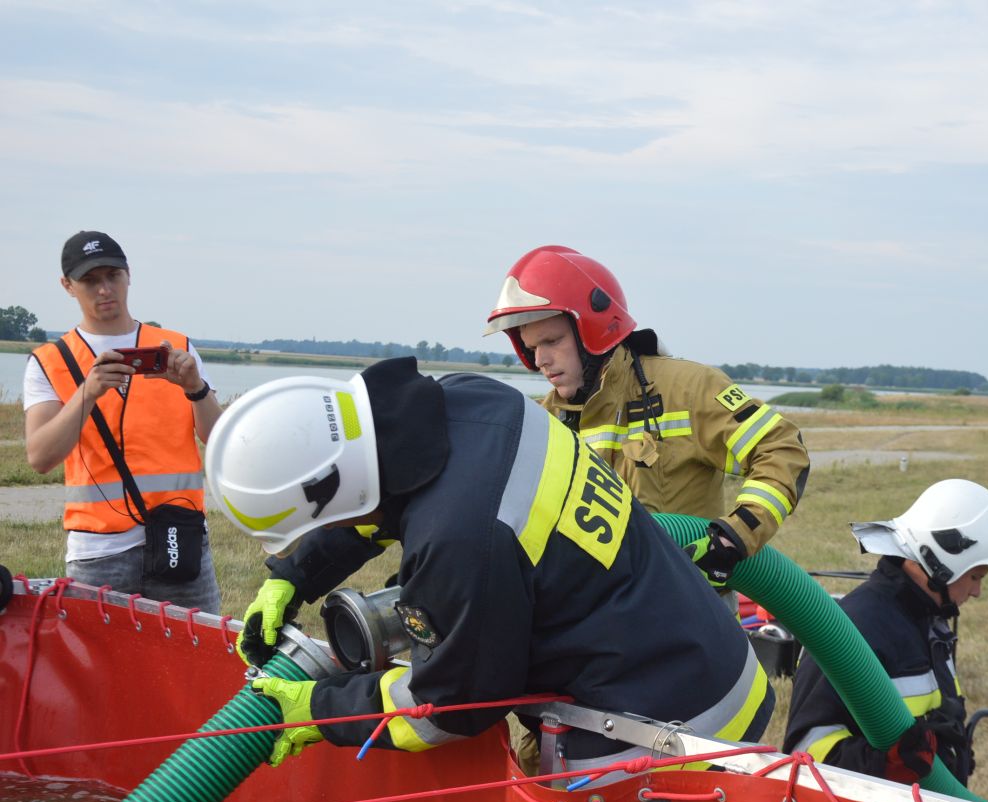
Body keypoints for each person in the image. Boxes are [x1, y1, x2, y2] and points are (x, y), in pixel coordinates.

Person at [205, 358, 774, 774]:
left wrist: (317, 710)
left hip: (665, 730)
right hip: (708, 655)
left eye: (318, 527)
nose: (327, 534)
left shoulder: (463, 538)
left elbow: (445, 707)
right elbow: (377, 494)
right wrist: (292, 576)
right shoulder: (469, 400)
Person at [482, 246, 809, 590]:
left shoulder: (687, 389)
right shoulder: (544, 420)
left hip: (690, 611)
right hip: (596, 614)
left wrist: (734, 536)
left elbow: (782, 450)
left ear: (592, 330)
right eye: (532, 348)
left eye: (552, 341)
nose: (541, 360)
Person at [24, 230, 222, 612]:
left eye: (112, 276)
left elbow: (220, 440)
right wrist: (89, 391)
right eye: (90, 280)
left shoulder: (176, 346)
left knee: (194, 665)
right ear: (67, 286)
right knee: (99, 671)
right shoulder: (50, 361)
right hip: (99, 550)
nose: (104, 290)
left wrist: (196, 387)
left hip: (179, 538)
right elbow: (40, 457)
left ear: (128, 275)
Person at [783, 479, 988, 786]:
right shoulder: (854, 629)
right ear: (940, 563)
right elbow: (804, 754)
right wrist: (886, 765)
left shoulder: (928, 619)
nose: (976, 591)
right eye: (975, 576)